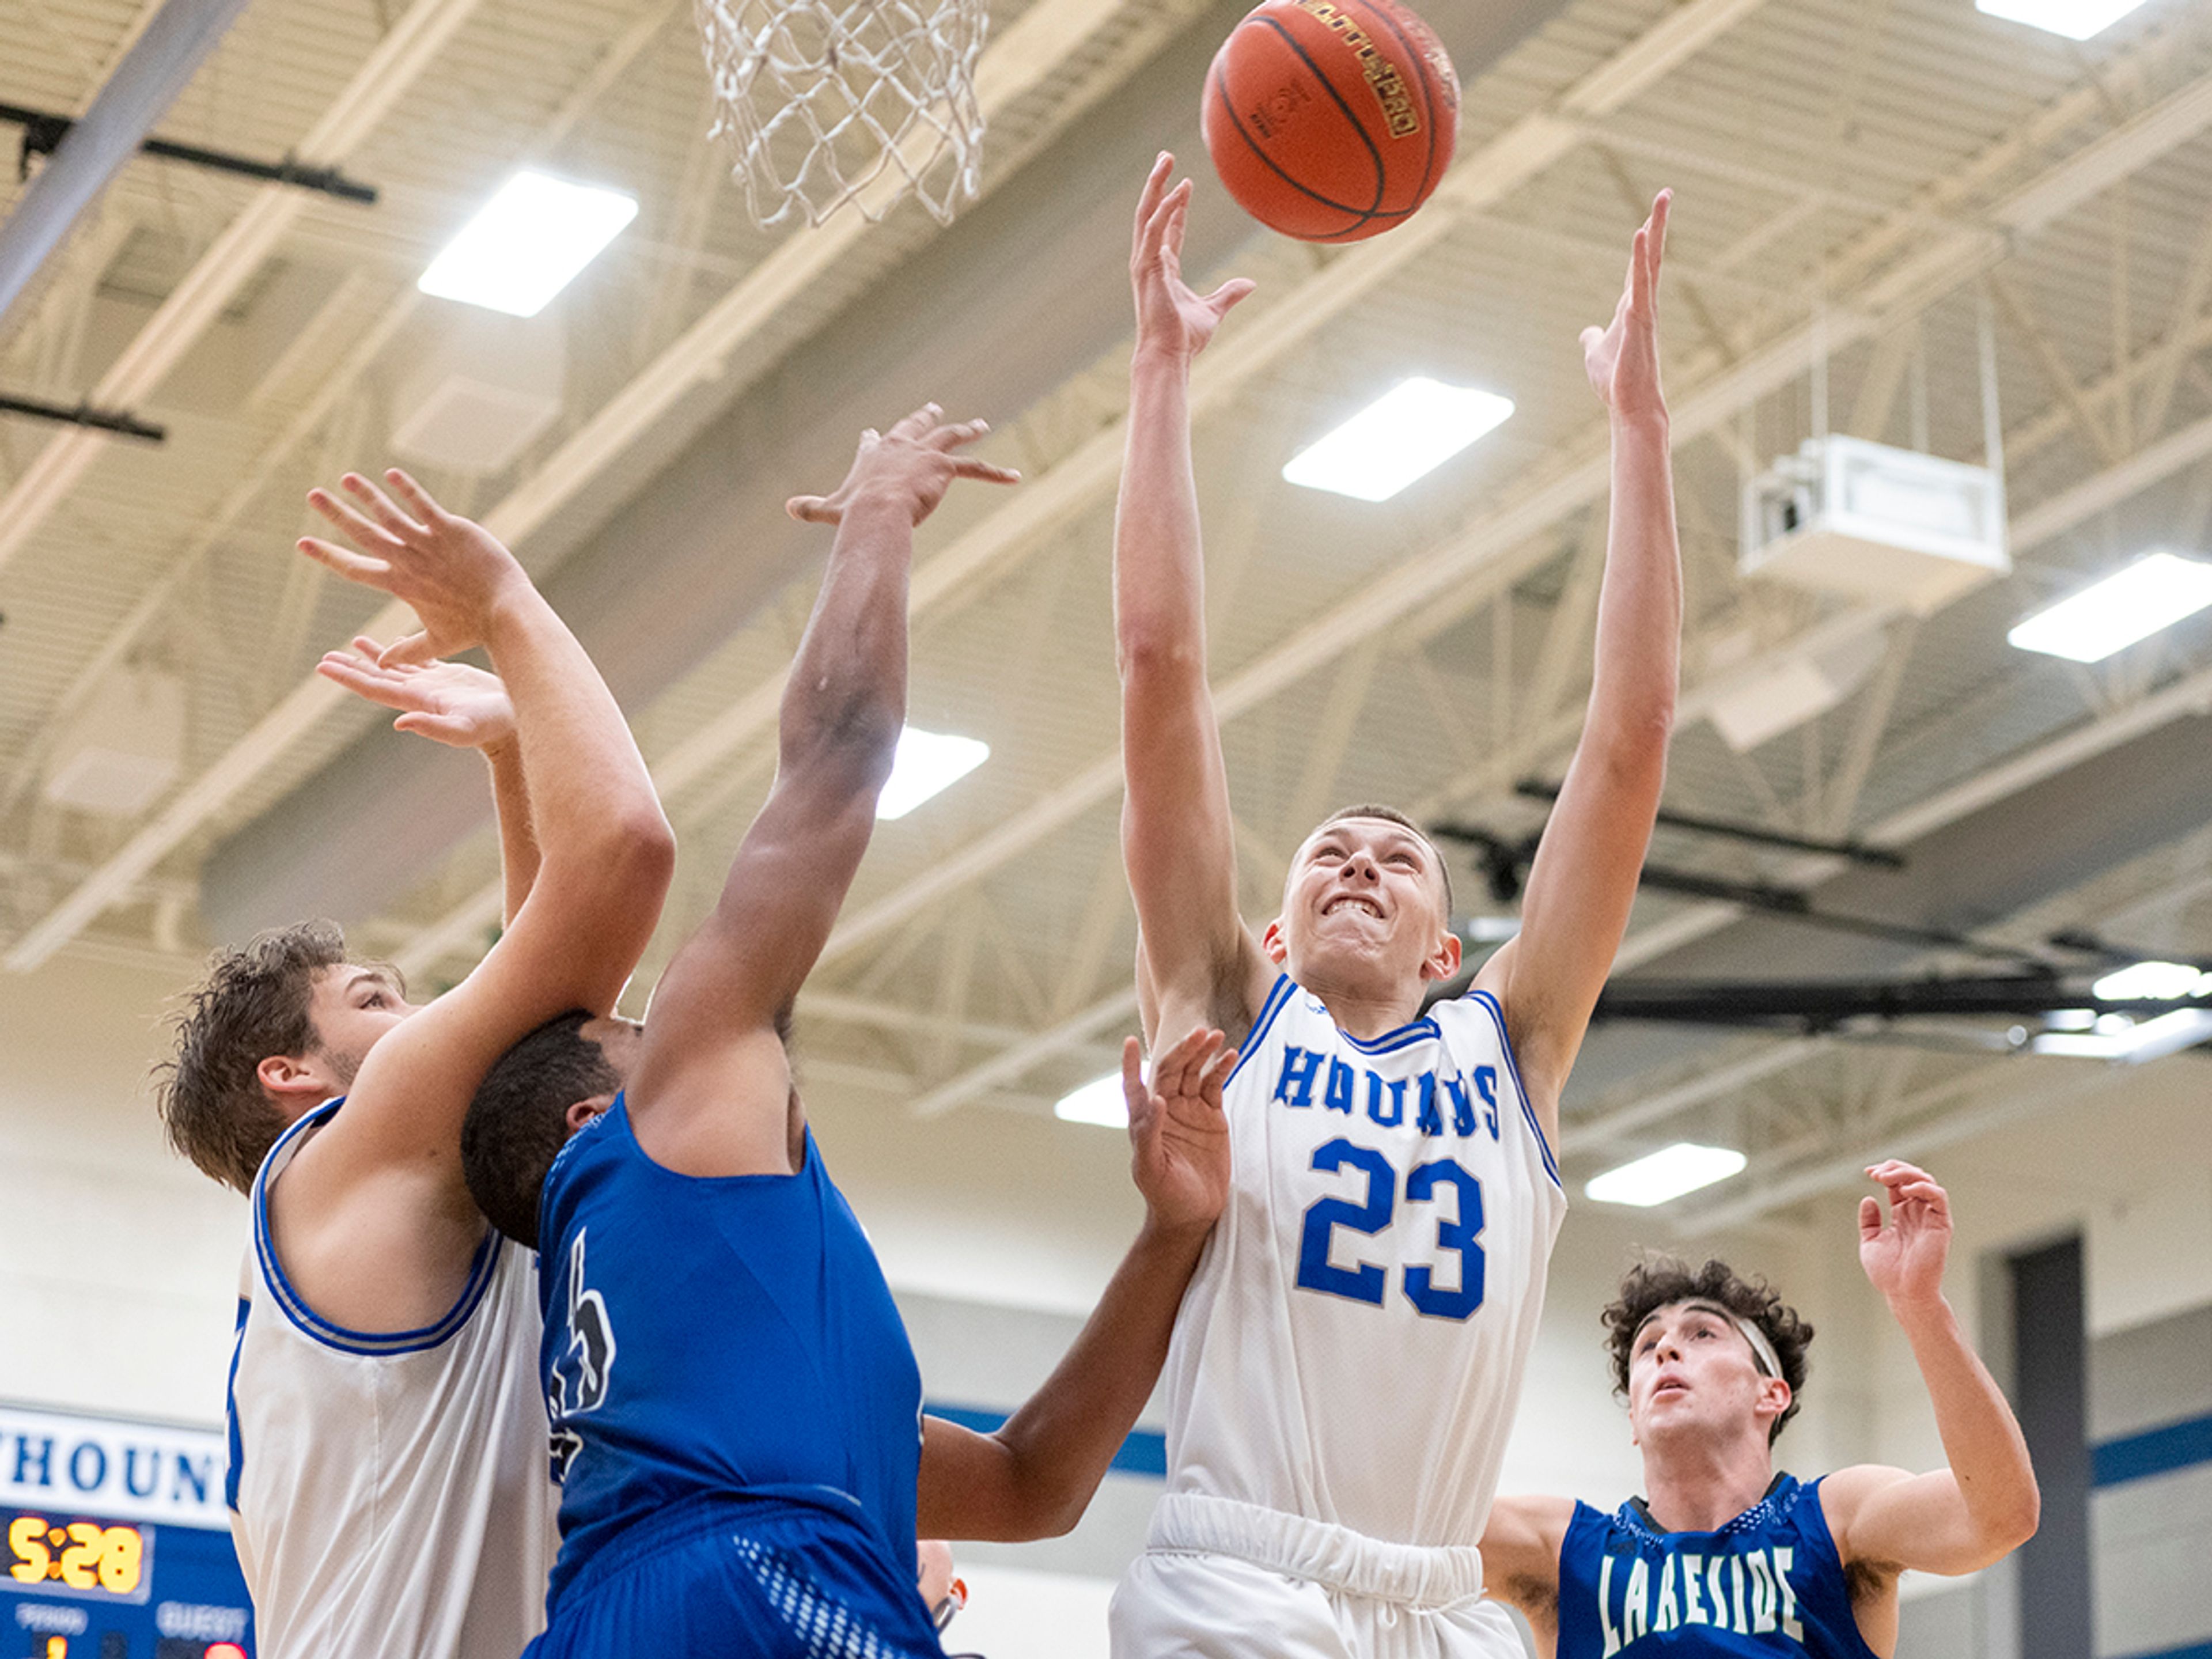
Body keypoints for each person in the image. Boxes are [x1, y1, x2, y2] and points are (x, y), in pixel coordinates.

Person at [453, 406, 1238, 1657]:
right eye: (641, 1029)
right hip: (756, 1582)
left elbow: (1036, 1487)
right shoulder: (663, 1140)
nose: (684, 1022)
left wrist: (1172, 1231)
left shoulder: (703, 1364)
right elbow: (837, 758)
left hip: (622, 1614)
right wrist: (879, 510)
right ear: (593, 1118)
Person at [1106, 153, 1681, 1658]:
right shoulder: (1238, 1014)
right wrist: (1160, 373)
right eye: (1329, 854)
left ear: (1448, 949)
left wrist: (1641, 436)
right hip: (1241, 1576)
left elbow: (1629, 747)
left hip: (1439, 1601)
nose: (1361, 858)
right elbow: (1161, 672)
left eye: (1399, 855)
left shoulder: (1514, 1057)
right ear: (1277, 932)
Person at [154, 469, 675, 1659]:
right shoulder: (351, 1156)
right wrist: (502, 596)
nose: (433, 1010)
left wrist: (510, 756)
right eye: (378, 999)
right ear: (292, 1078)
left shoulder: (396, 1212)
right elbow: (626, 857)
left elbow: (549, 1026)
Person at [1478, 1161, 2039, 1657]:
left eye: (1702, 1333)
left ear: (1771, 1393)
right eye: (1648, 1347)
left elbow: (1999, 1517)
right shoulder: (1562, 1547)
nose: (1667, 1349)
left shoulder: (1834, 1520)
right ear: (1633, 1420)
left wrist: (1919, 1305)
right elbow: (1400, 1529)